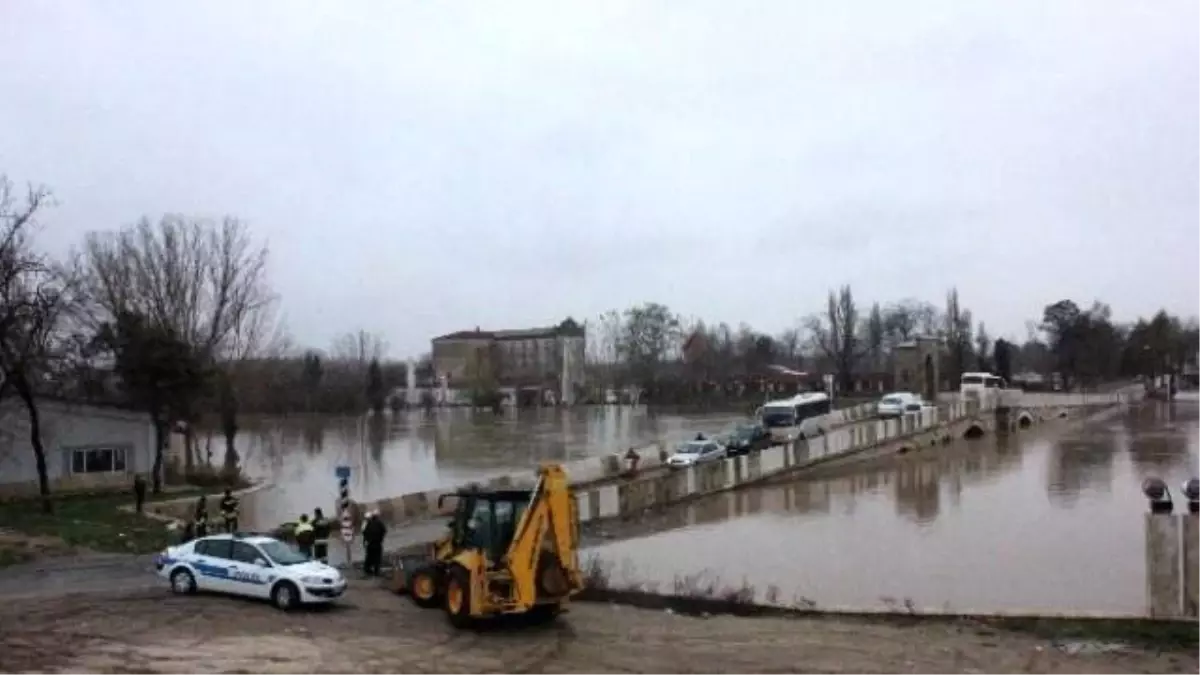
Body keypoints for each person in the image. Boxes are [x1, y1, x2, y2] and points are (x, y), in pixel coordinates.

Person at [361, 510, 387, 578]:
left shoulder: (366, 524)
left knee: (369, 556)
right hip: (377, 543)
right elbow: (384, 531)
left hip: (369, 543)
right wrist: (381, 539)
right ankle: (376, 571)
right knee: (377, 557)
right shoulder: (379, 523)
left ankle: (367, 569)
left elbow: (364, 533)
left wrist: (366, 541)